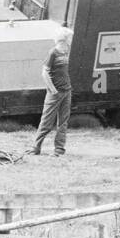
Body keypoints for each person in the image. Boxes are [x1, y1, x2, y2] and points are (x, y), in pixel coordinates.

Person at [29, 27, 74, 156]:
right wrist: (53, 90)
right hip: (55, 93)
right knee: (46, 121)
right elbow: (44, 73)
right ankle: (35, 148)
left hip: (67, 91)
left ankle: (59, 149)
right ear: (64, 39)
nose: (71, 40)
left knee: (63, 122)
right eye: (70, 37)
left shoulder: (66, 52)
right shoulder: (53, 53)